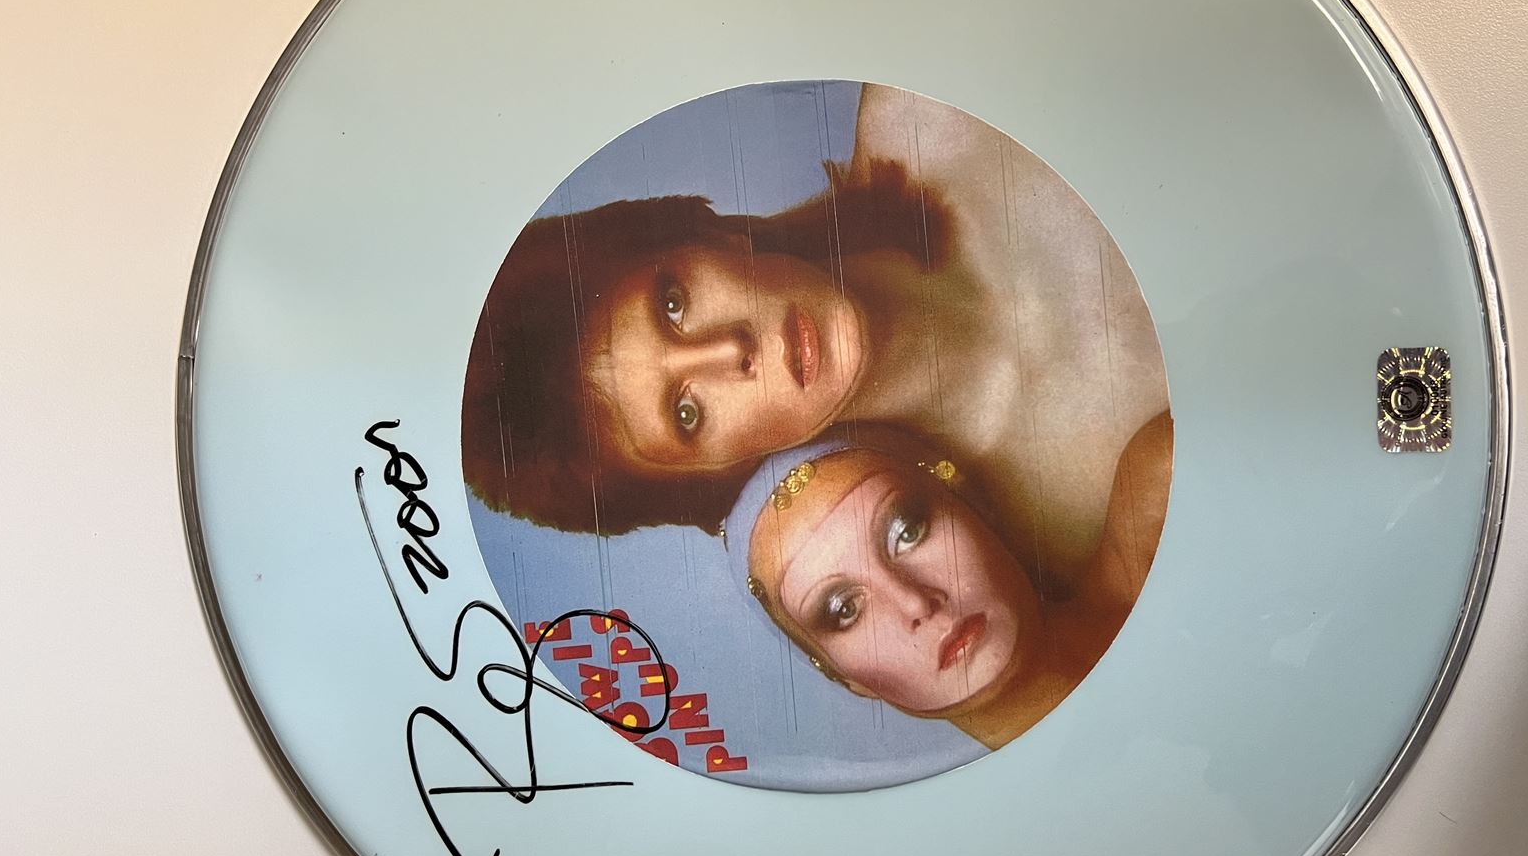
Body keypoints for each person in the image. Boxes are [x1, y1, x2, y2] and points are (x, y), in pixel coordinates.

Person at [462, 84, 1168, 592]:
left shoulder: (935, 111)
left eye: (672, 304)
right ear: (723, 473)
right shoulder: (1033, 554)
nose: (729, 351)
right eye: (687, 412)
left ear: (711, 235)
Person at [731, 414, 1173, 751]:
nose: (915, 603)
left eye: (908, 532)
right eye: (845, 610)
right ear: (843, 677)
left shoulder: (1166, 485)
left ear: (972, 504)